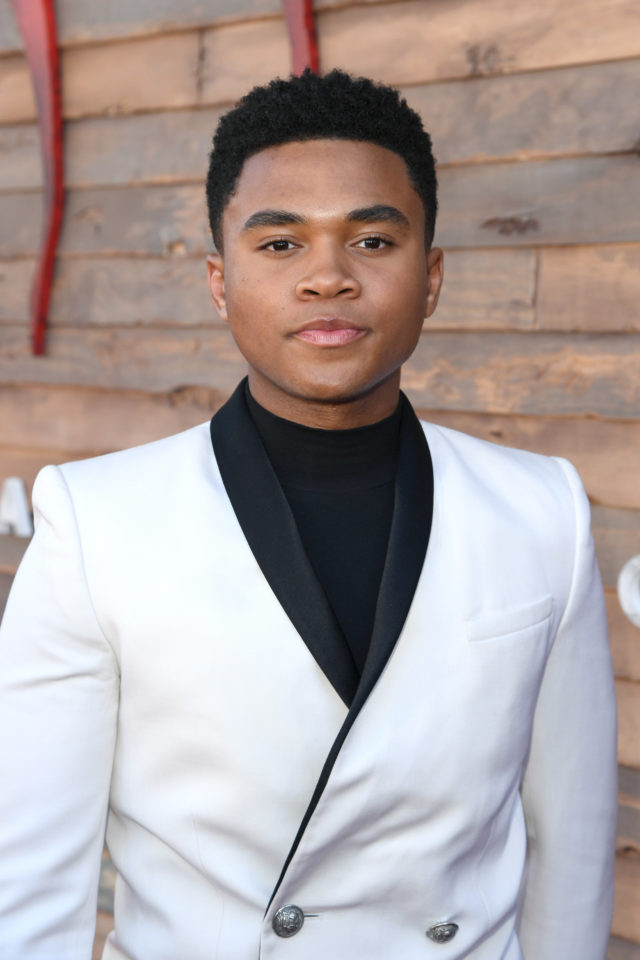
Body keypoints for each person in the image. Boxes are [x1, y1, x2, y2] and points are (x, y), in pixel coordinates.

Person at [0, 69, 617, 960]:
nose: (328, 277)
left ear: (432, 277)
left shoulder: (542, 508)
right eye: (282, 243)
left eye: (371, 239)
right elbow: (24, 886)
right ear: (220, 283)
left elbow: (573, 843)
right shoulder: (96, 523)